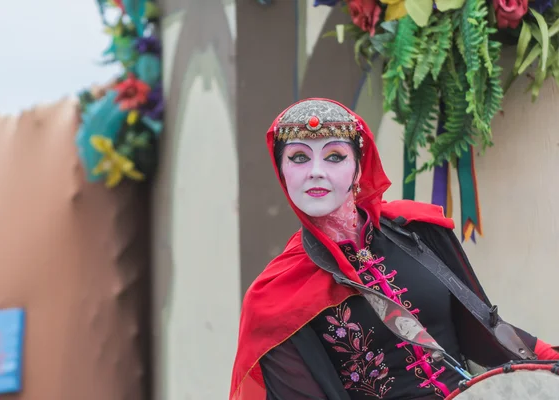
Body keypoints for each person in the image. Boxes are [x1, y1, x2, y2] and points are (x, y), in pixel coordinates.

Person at [229, 98, 559, 400]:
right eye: (299, 158)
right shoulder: (275, 297)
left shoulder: (415, 231)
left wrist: (551, 360)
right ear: (282, 173)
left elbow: (482, 328)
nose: (316, 171)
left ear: (358, 167)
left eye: (334, 156)